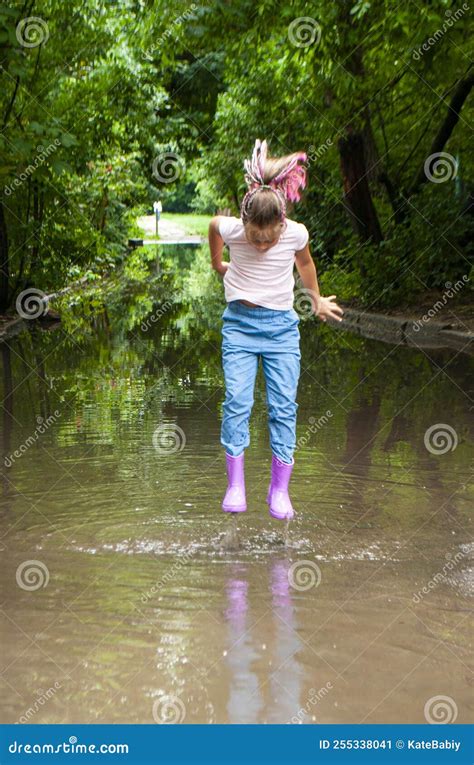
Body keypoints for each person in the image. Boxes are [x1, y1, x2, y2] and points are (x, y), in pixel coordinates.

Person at [208, 139, 343, 521]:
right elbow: (213, 227)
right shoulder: (233, 228)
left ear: (282, 225)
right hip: (239, 326)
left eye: (271, 237)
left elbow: (305, 264)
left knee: (284, 407)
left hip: (282, 331)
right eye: (256, 237)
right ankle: (236, 485)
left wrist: (315, 299)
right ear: (245, 224)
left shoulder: (295, 233)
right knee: (237, 401)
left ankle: (279, 490)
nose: (264, 244)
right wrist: (218, 264)